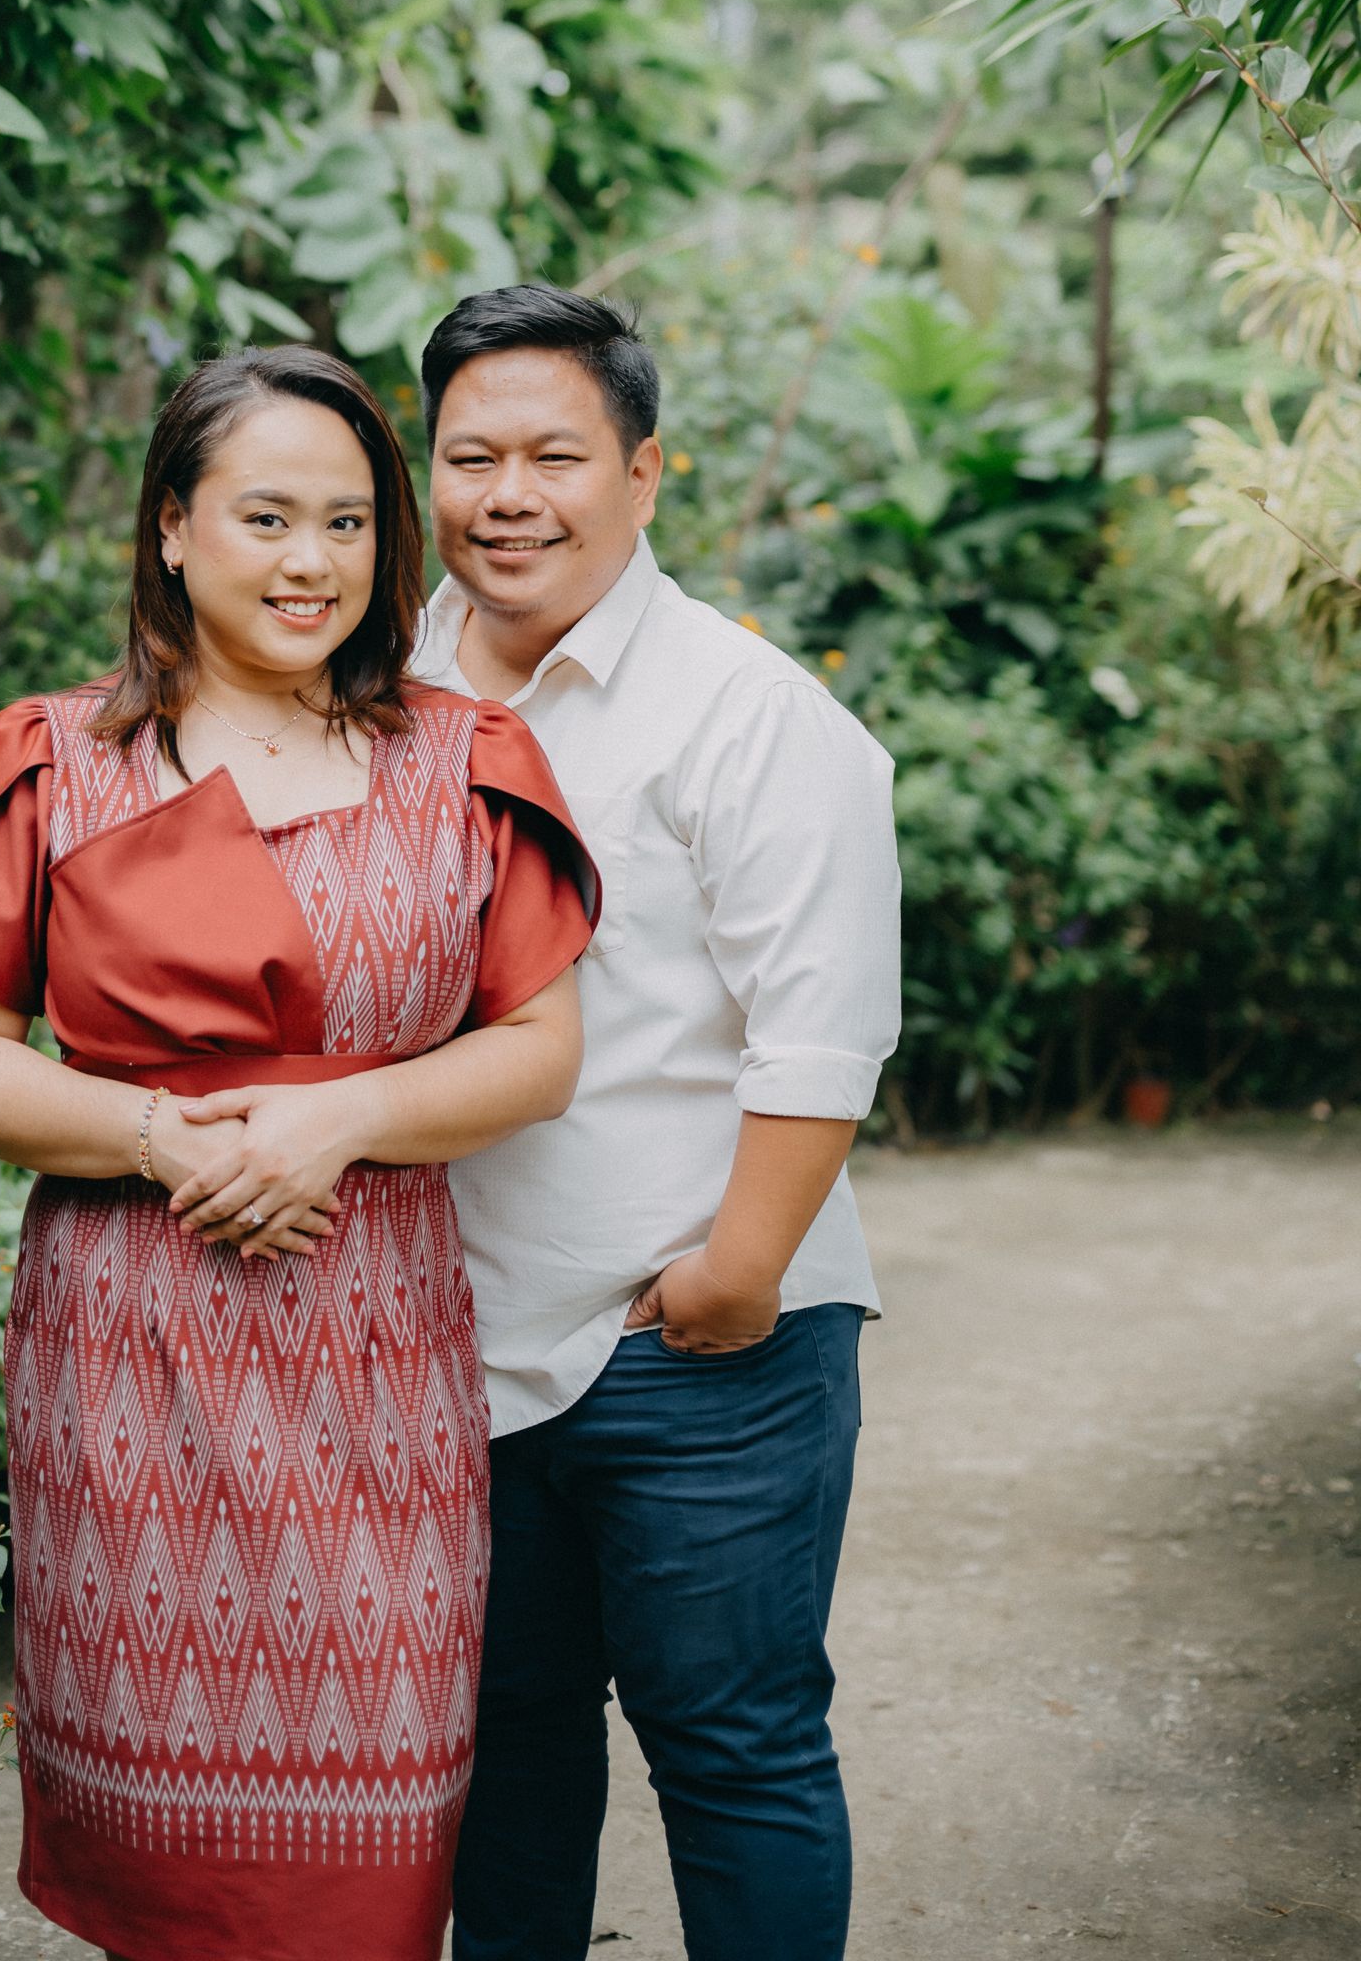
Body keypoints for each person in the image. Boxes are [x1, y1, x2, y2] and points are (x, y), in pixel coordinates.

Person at [0, 345, 595, 1961]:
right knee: (163, 1852)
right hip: (129, 1354)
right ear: (170, 524)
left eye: (348, 523)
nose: (311, 563)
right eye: (267, 517)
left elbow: (541, 1051)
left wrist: (336, 1121)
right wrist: (159, 1138)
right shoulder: (54, 759)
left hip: (377, 1351)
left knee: (381, 1810)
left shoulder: (468, 759)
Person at [413, 285, 902, 1961]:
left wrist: (732, 1281)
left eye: (556, 455)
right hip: (449, 1342)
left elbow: (821, 1033)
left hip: (692, 1351)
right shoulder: (381, 684)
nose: (509, 496)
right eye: (470, 456)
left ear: (644, 471)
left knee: (733, 1749)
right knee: (504, 1757)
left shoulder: (747, 713)